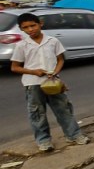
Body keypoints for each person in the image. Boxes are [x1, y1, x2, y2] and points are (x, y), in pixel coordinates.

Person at [10, 13, 89, 151]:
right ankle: (44, 141)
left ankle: (74, 135)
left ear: (40, 24)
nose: (30, 29)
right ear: (21, 29)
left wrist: (56, 72)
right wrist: (34, 72)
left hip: (53, 83)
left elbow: (60, 59)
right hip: (33, 83)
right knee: (37, 113)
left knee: (63, 109)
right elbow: (15, 67)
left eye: (33, 25)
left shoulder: (52, 41)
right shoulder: (22, 45)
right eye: (26, 27)